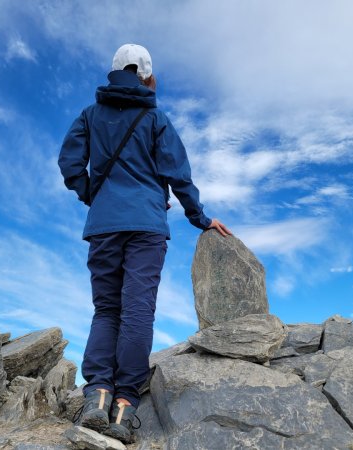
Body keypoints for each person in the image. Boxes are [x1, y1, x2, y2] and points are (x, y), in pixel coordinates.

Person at [58, 43, 231, 443]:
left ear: (114, 73)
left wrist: (92, 196)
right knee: (137, 311)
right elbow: (179, 176)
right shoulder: (156, 118)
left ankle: (97, 395)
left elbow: (69, 164)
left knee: (106, 310)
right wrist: (200, 219)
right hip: (147, 228)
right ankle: (124, 408)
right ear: (148, 77)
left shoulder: (89, 115)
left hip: (103, 227)